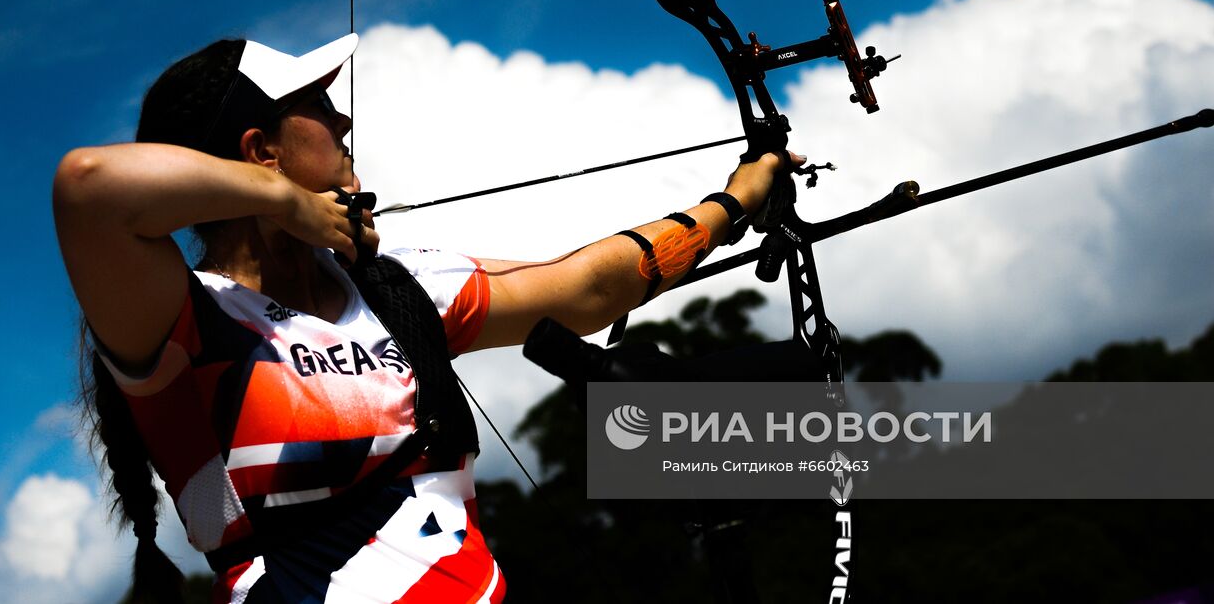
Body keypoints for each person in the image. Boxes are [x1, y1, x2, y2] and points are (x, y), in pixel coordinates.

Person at [53, 32, 795, 603]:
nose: (341, 119)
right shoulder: (185, 319)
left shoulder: (398, 292)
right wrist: (282, 202)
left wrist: (732, 202)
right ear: (261, 151)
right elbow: (89, 188)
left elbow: (588, 291)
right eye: (314, 105)